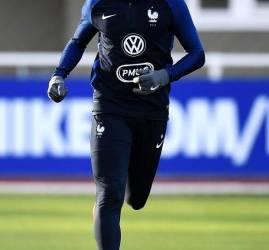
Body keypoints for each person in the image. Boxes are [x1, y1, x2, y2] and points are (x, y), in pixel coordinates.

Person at [47, 0, 205, 249]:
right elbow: (78, 42)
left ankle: (122, 196)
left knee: (136, 198)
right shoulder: (97, 3)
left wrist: (165, 75)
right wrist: (59, 73)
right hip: (109, 107)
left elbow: (197, 54)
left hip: (152, 111)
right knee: (109, 194)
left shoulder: (171, 4)